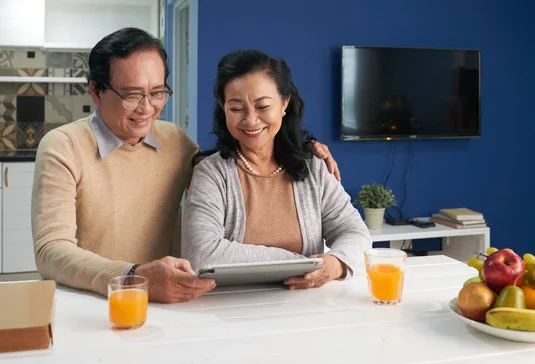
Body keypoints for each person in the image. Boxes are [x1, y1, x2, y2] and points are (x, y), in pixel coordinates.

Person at [31, 28, 340, 303]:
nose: (147, 108)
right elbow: (51, 252)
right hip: (90, 301)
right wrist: (131, 276)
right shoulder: (64, 145)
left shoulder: (173, 140)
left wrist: (299, 147)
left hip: (166, 301)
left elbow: (237, 163)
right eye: (132, 95)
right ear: (97, 91)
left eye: (157, 93)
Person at [182, 50, 371, 289]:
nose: (250, 120)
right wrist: (301, 265)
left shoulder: (312, 167)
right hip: (230, 311)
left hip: (307, 309)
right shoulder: (211, 173)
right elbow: (201, 255)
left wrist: (336, 263)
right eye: (236, 109)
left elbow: (355, 232)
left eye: (262, 106)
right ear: (223, 108)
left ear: (284, 104)